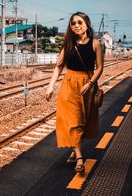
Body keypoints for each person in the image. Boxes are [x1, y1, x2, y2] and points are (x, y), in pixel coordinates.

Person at [45, 11, 103, 173]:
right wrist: (50, 86)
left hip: (87, 84)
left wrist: (91, 84)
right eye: (73, 23)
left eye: (80, 22)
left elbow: (100, 68)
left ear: (87, 25)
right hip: (69, 85)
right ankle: (79, 158)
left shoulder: (96, 44)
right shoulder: (68, 45)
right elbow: (58, 67)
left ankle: (74, 149)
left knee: (83, 120)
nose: (76, 25)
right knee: (72, 120)